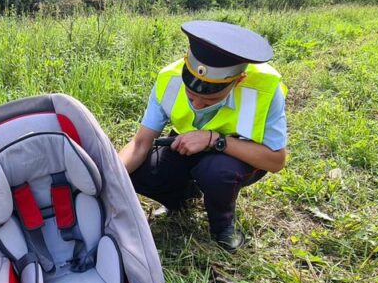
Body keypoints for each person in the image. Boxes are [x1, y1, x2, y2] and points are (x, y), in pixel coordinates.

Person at [117, 21, 288, 252]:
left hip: (237, 158)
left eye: (209, 100)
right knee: (139, 170)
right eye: (190, 94)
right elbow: (140, 144)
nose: (197, 104)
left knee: (217, 172)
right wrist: (109, 178)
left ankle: (223, 226)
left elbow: (276, 161)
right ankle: (180, 201)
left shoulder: (265, 89)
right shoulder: (169, 78)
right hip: (184, 146)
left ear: (238, 81)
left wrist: (214, 140)